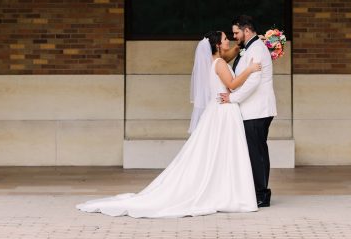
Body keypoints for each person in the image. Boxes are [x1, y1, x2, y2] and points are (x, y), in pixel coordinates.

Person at [77, 30, 262, 218]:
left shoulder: (213, 62)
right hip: (224, 111)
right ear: (216, 45)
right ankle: (228, 192)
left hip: (217, 111)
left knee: (217, 151)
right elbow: (231, 84)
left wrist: (245, 44)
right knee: (225, 151)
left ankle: (222, 190)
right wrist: (250, 69)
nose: (228, 41)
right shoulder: (220, 63)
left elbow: (227, 58)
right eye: (224, 39)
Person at [219, 15, 277, 208]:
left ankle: (262, 194)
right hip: (253, 109)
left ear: (247, 30)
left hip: (257, 110)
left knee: (257, 152)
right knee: (256, 151)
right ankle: (258, 191)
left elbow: (253, 81)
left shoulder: (257, 49)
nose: (234, 36)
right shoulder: (250, 47)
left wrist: (232, 98)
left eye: (236, 32)